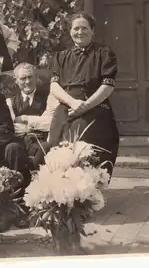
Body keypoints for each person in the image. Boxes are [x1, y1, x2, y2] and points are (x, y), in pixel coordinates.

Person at [49, 12, 119, 181]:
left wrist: (84, 106)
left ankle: (84, 192)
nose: (80, 32)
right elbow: (54, 86)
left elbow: (107, 86)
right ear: (70, 31)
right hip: (67, 105)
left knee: (82, 143)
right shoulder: (61, 56)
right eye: (76, 28)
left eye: (84, 28)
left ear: (92, 30)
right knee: (55, 143)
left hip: (95, 107)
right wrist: (73, 103)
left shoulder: (104, 53)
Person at [4, 62, 59, 189]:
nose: (27, 82)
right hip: (20, 142)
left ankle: (43, 191)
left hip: (41, 140)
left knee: (46, 147)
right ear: (16, 81)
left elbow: (50, 123)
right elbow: (12, 127)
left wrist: (24, 119)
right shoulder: (9, 101)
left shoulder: (49, 98)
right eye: (23, 78)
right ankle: (18, 190)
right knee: (12, 148)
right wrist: (39, 121)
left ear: (36, 78)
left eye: (30, 77)